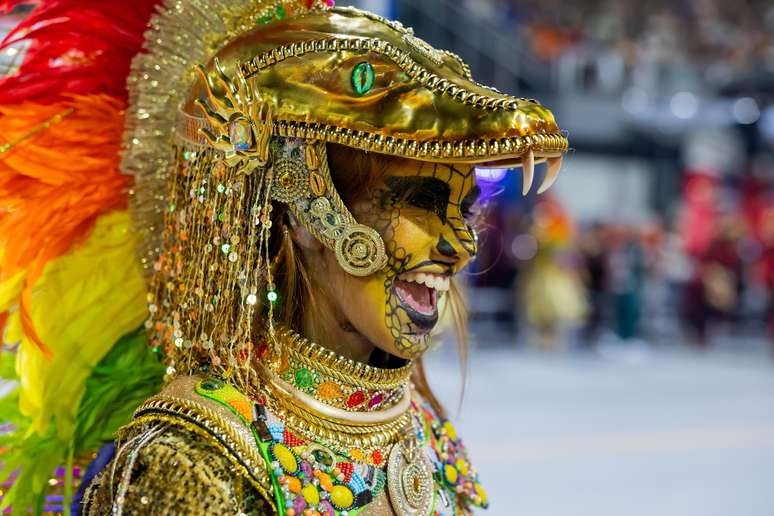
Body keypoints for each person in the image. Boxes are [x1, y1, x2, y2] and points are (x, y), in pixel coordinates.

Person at [0, 1, 568, 514]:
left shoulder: (423, 432)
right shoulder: (194, 462)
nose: (461, 244)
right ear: (306, 211)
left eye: (463, 210)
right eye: (420, 203)